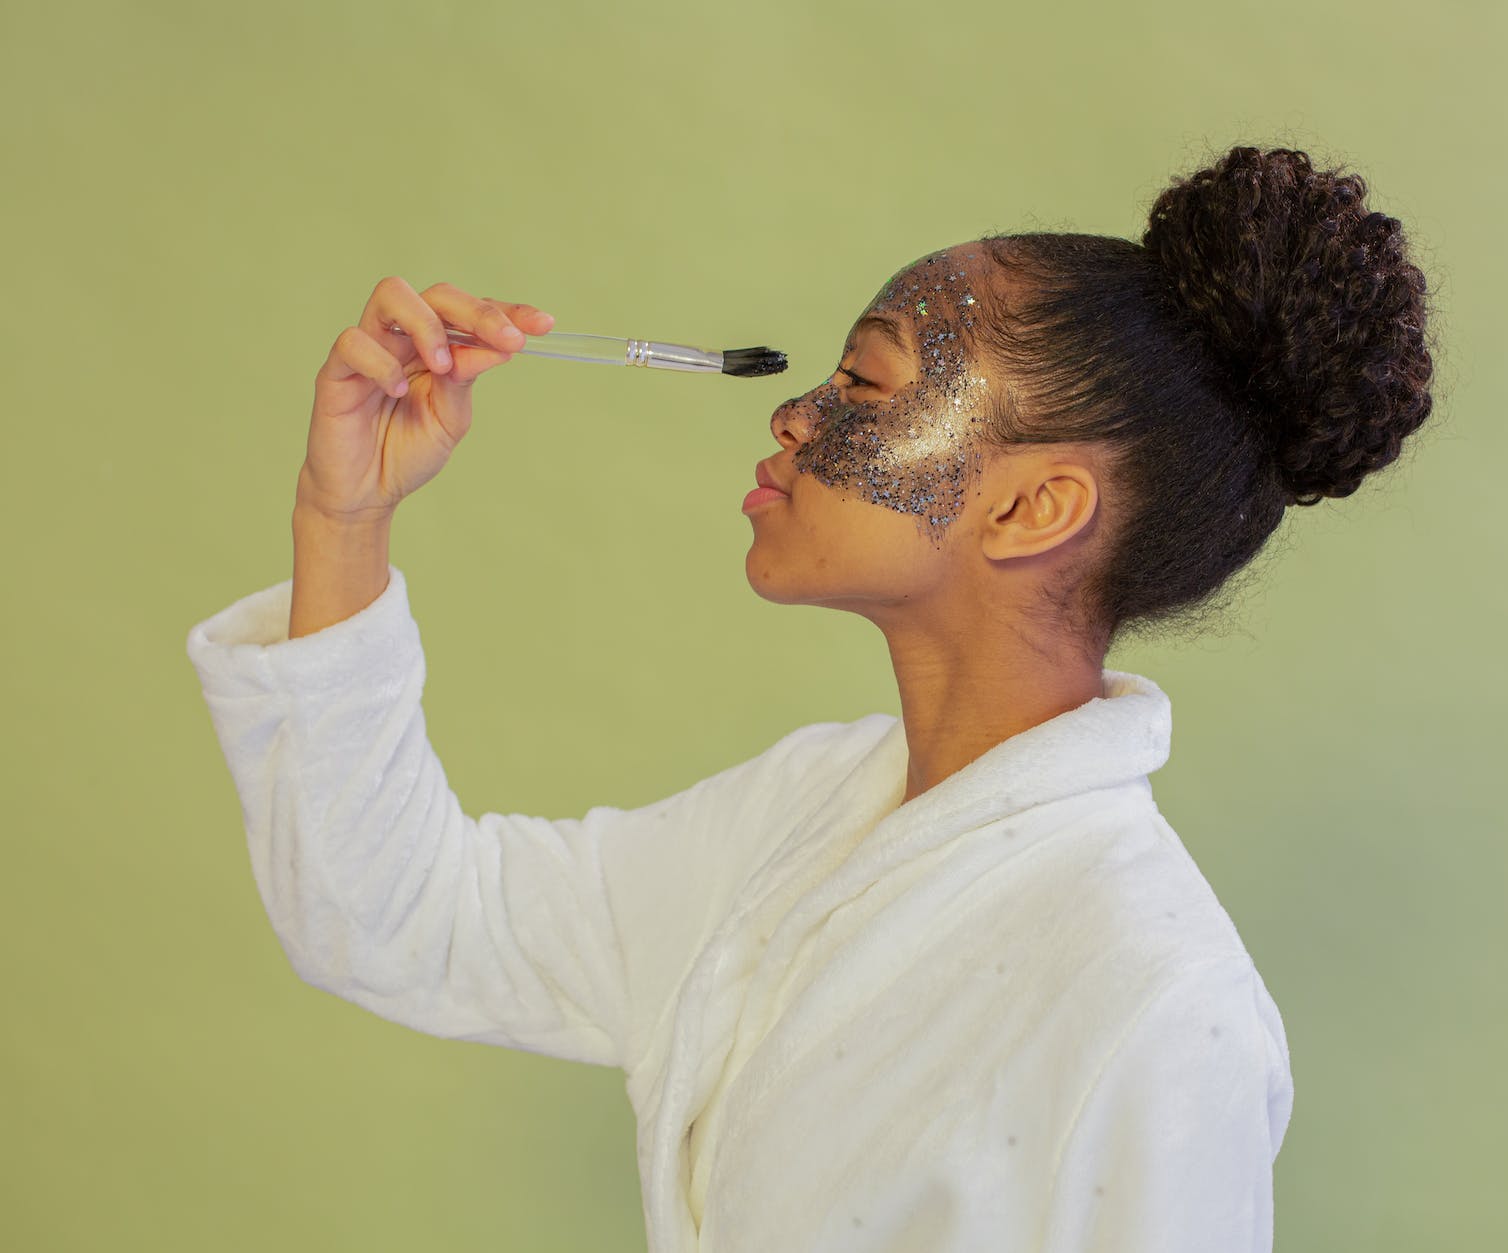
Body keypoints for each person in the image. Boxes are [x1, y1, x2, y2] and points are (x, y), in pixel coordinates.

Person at [185, 145, 1437, 1252]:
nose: (791, 414)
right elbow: (400, 920)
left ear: (1030, 507)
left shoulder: (1157, 1006)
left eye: (865, 382)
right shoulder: (803, 811)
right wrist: (341, 515)